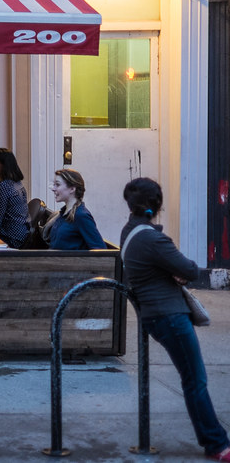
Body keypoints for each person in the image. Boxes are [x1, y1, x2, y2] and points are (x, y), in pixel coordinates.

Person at [119, 178, 230, 462]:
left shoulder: (130, 232)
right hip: (169, 316)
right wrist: (174, 268)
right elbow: (191, 269)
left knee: (192, 379)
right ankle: (217, 444)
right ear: (157, 204)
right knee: (195, 380)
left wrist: (170, 268)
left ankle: (214, 441)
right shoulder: (152, 238)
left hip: (155, 315)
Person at [44, 169, 105, 250]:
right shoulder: (64, 213)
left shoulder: (81, 216)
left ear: (72, 189)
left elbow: (100, 250)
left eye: (57, 185)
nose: (53, 188)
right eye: (54, 184)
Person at [0, 148, 31, 249]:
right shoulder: (16, 183)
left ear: (4, 165)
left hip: (10, 237)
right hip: (22, 234)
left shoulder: (4, 187)